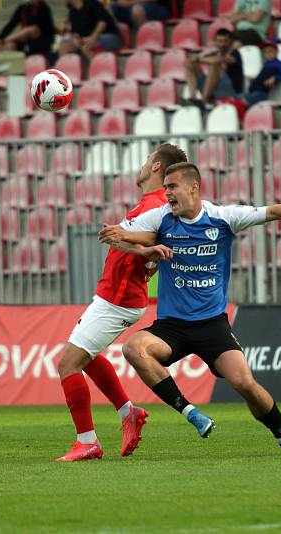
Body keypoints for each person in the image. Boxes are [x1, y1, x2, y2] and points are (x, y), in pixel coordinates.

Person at [98, 162, 281, 456]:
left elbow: (273, 211)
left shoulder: (222, 217)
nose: (167, 193)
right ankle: (191, 413)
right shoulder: (161, 217)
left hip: (212, 324)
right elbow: (127, 236)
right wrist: (118, 234)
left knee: (245, 383)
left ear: (194, 187)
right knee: (134, 348)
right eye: (165, 187)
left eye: (172, 187)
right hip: (171, 326)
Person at [56, 144, 187, 462]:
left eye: (146, 160)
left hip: (119, 298)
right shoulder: (150, 204)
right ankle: (128, 413)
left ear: (156, 166)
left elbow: (154, 246)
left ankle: (87, 442)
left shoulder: (155, 206)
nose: (141, 166)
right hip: (114, 294)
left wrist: (142, 251)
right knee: (85, 357)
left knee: (67, 364)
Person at [186, 29, 243, 105]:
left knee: (215, 65)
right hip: (214, 88)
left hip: (230, 91)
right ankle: (193, 98)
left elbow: (218, 60)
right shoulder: (215, 52)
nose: (222, 44)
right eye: (219, 41)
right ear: (215, 42)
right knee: (191, 64)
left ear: (231, 41)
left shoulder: (235, 53)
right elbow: (192, 59)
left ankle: (204, 101)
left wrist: (198, 59)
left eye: (225, 41)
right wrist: (195, 59)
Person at [240, 41, 281, 108]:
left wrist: (276, 78)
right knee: (234, 98)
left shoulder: (279, 64)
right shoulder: (266, 64)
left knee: (240, 102)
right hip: (252, 92)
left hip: (260, 94)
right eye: (266, 52)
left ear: (277, 52)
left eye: (270, 51)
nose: (268, 54)